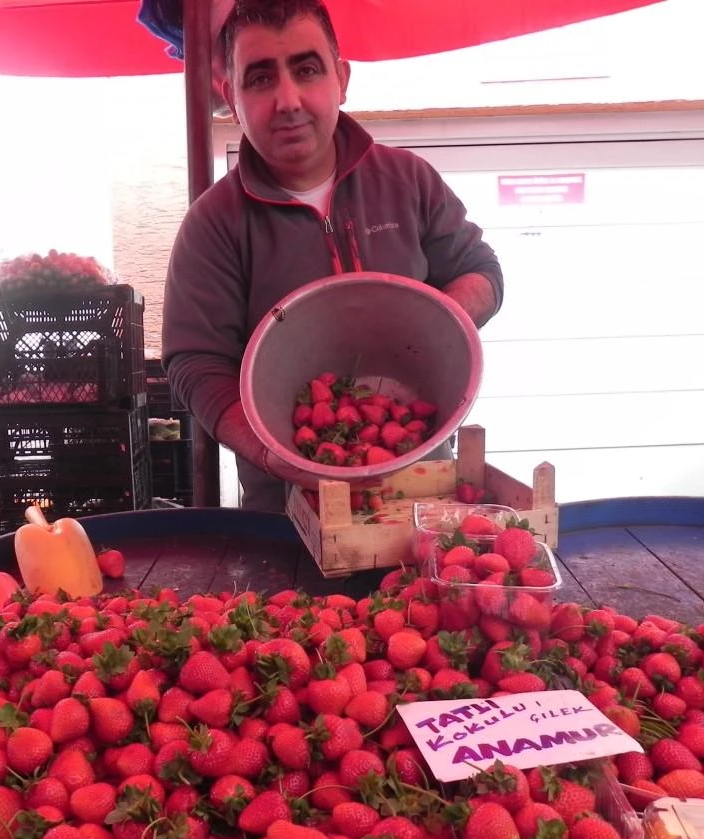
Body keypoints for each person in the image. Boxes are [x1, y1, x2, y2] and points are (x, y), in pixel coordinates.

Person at [161, 0, 503, 513]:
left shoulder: (409, 182)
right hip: (287, 511)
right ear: (230, 95)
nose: (288, 100)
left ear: (341, 78)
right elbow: (194, 363)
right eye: (260, 78)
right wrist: (275, 455)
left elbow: (482, 273)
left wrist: (434, 319)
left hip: (421, 491)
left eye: (306, 69)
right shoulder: (214, 225)